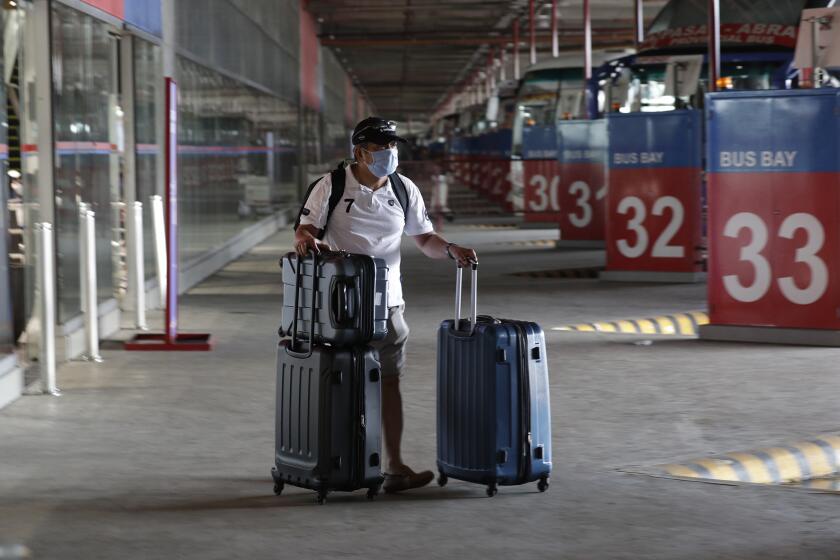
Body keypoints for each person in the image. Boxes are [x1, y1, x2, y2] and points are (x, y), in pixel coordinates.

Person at [294, 117, 477, 493]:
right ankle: (331, 461)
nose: (390, 154)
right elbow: (305, 229)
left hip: (388, 305)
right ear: (360, 152)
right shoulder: (331, 186)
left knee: (389, 383)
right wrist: (306, 241)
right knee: (337, 382)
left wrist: (450, 249)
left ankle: (394, 466)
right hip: (339, 307)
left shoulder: (404, 188)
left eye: (393, 147)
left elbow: (424, 238)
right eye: (381, 148)